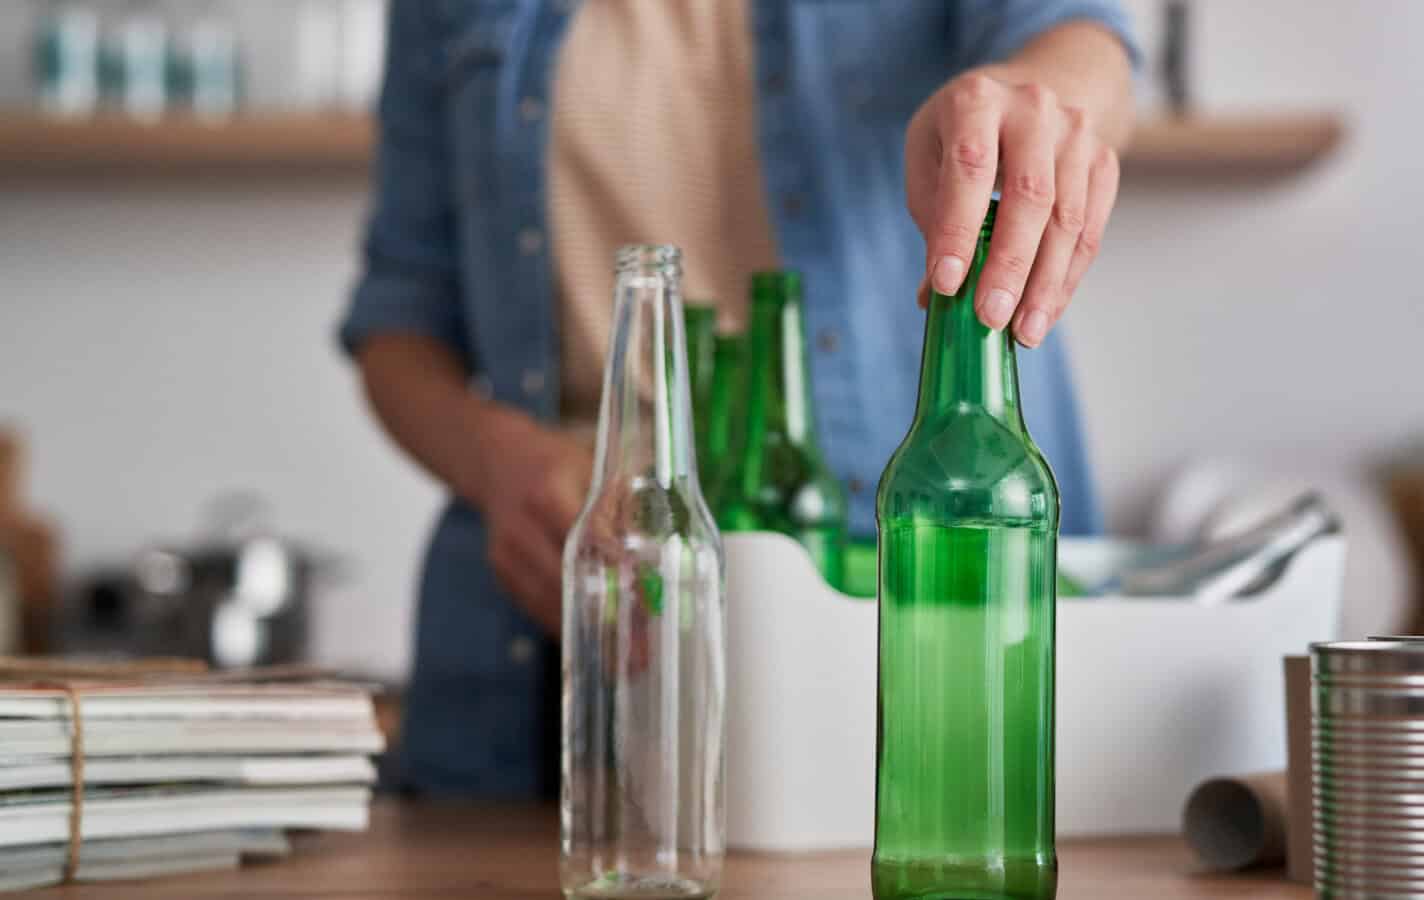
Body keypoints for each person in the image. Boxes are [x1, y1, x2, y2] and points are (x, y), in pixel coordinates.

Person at [340, 0, 1138, 797]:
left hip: (902, 633)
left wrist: (1037, 104)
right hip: (557, 657)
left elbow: (1083, 39)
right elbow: (399, 318)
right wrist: (495, 459)